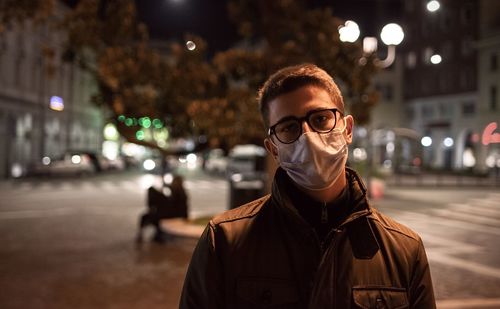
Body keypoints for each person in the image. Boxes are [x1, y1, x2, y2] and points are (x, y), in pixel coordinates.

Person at [180, 64, 436, 308]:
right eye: (289, 127)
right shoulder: (224, 241)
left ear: (347, 129)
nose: (308, 137)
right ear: (273, 149)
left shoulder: (405, 249)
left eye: (321, 119)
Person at [136, 174, 188, 243]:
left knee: (150, 216)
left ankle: (157, 234)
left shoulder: (178, 192)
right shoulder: (179, 191)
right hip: (174, 213)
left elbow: (172, 205)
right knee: (151, 215)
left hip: (174, 215)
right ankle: (158, 234)